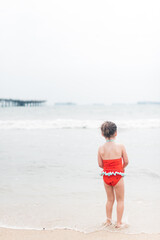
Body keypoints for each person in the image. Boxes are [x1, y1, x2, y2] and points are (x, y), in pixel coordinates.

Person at [98, 121, 129, 228]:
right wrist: (121, 168)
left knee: (110, 200)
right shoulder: (120, 146)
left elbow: (100, 164)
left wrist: (108, 169)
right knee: (120, 200)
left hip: (106, 176)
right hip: (118, 176)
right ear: (116, 133)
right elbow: (126, 161)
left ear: (102, 134)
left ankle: (108, 221)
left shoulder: (101, 148)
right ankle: (119, 223)